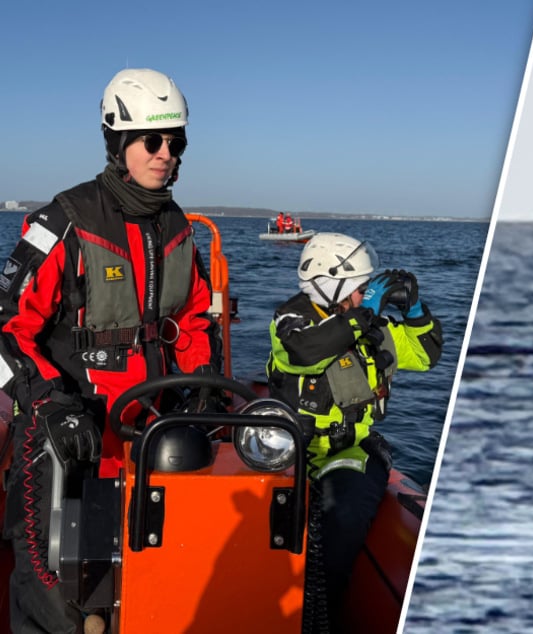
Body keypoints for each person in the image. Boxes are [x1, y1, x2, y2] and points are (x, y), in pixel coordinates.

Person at [0, 68, 221, 633]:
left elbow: (194, 325)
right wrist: (49, 404)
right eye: (153, 140)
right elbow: (7, 330)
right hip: (70, 443)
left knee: (144, 589)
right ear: (118, 143)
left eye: (176, 141)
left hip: (149, 438)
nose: (166, 153)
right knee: (63, 599)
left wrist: (202, 398)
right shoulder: (65, 221)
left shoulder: (178, 229)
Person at [266, 233, 442, 631]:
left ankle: (321, 618)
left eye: (366, 289)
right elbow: (305, 352)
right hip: (289, 453)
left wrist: (414, 310)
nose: (366, 295)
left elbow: (426, 355)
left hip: (349, 452)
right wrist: (362, 316)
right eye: (361, 288)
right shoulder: (290, 321)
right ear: (333, 284)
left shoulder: (372, 326)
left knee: (340, 517)